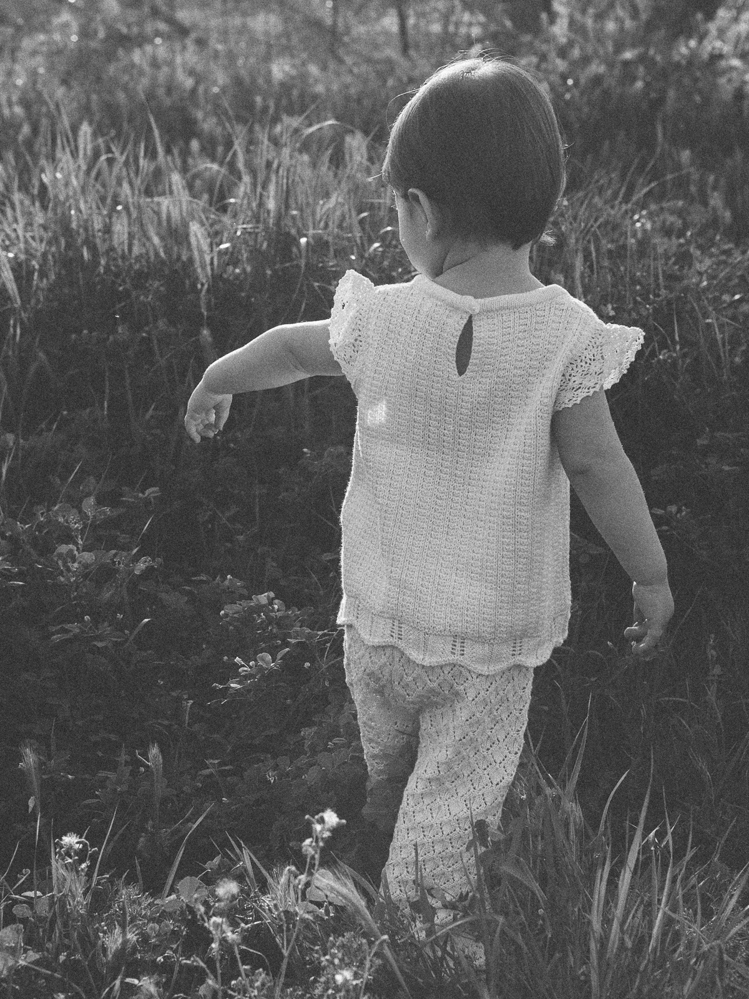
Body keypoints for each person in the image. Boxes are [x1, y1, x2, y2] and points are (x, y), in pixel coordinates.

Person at [185, 54, 674, 951]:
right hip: (487, 645)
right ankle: (426, 941)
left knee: (395, 760)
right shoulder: (561, 335)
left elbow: (292, 350)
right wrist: (649, 575)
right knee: (450, 806)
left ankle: (377, 833)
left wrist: (218, 376)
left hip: (374, 622)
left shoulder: (382, 318)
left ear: (420, 209)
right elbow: (601, 468)